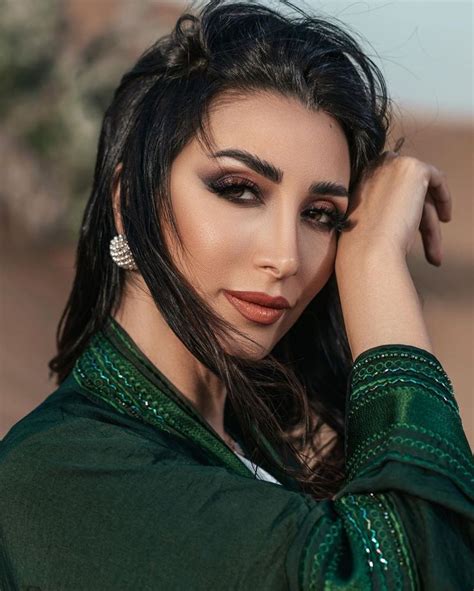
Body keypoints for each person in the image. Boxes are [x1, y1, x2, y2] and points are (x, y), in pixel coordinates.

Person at [0, 0, 472, 588]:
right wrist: (375, 263)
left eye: (322, 215)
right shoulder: (63, 475)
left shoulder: (242, 449)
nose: (286, 257)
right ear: (130, 199)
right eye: (238, 190)